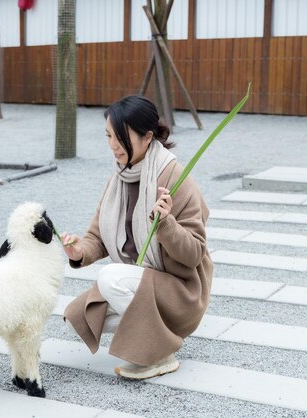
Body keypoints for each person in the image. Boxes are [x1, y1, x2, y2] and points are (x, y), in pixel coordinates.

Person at [60, 95, 213, 380]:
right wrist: (79, 252)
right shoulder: (119, 177)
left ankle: (159, 352)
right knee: (79, 317)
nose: (113, 145)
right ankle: (156, 335)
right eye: (108, 136)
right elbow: (98, 236)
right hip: (141, 281)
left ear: (147, 137)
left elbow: (194, 253)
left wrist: (165, 223)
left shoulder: (174, 177)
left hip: (180, 290)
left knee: (109, 279)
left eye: (121, 137)